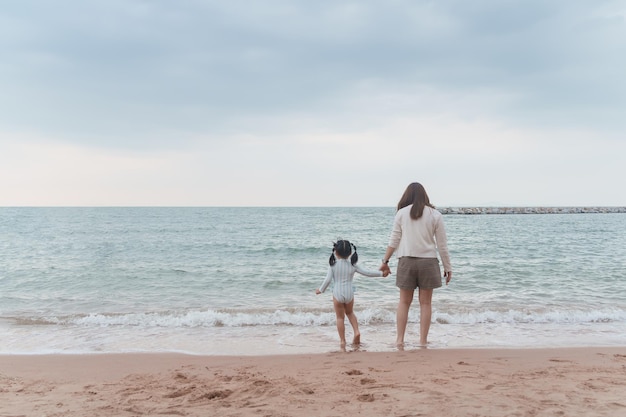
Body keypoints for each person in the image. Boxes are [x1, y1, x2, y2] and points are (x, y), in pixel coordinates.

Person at [379, 182, 452, 348]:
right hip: (428, 262)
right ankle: (423, 341)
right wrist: (448, 267)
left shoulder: (401, 214)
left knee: (404, 302)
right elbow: (442, 245)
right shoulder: (435, 215)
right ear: (425, 196)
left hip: (406, 261)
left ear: (407, 196)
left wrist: (385, 261)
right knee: (425, 303)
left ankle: (399, 340)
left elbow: (394, 240)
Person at [316, 240, 389, 349]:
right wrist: (381, 274)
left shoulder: (333, 265)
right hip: (349, 293)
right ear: (350, 253)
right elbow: (367, 273)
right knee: (350, 313)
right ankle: (356, 331)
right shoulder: (353, 265)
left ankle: (342, 341)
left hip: (337, 293)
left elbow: (327, 280)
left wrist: (320, 290)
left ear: (335, 252)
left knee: (340, 318)